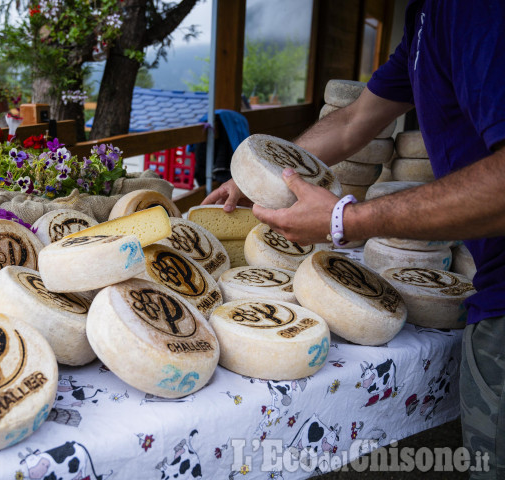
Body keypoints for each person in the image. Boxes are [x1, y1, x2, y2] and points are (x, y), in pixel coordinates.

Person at [202, 1, 505, 477]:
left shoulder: (476, 9)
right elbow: (352, 121)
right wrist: (263, 173)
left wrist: (348, 219)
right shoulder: (426, 18)